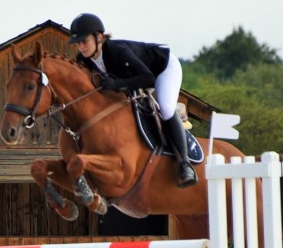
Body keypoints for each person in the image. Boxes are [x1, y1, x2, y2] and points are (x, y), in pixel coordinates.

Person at [67, 13, 197, 187]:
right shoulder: (83, 60)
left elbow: (148, 79)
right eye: (78, 43)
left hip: (163, 69)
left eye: (84, 41)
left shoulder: (116, 51)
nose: (81, 47)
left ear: (99, 37)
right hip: (136, 80)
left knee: (165, 108)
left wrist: (115, 83)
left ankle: (185, 164)